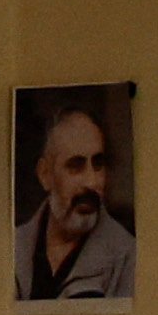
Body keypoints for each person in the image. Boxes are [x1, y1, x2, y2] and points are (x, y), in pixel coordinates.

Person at [20, 96, 134, 301]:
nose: (91, 182)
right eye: (76, 165)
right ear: (45, 175)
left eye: (98, 164)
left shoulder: (127, 259)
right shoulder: (11, 248)